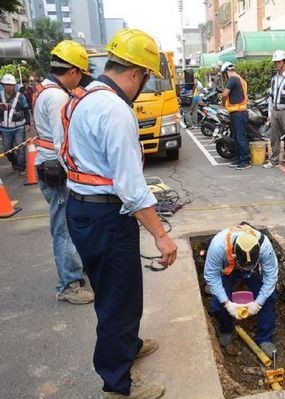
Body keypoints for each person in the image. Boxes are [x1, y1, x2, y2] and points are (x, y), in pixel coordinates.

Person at [62, 28, 177, 398]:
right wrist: (161, 234)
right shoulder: (116, 111)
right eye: (145, 77)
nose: (143, 84)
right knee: (119, 300)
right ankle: (118, 383)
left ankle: (127, 347)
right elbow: (130, 187)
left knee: (115, 293)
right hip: (106, 217)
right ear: (135, 73)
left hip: (83, 210)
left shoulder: (85, 96)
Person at [33, 40, 94, 304]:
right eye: (80, 75)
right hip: (56, 170)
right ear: (72, 71)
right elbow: (63, 143)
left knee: (67, 225)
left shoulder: (46, 90)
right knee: (64, 227)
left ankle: (75, 273)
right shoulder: (57, 96)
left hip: (50, 167)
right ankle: (68, 284)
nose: (79, 82)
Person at [204, 224, 278, 356]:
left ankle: (264, 338)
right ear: (234, 254)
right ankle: (226, 329)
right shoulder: (218, 246)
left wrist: (258, 303)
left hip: (253, 272)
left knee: (269, 297)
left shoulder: (264, 246)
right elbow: (211, 276)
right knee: (218, 302)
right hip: (228, 270)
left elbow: (271, 276)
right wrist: (227, 304)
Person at [221, 62, 251, 170]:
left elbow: (225, 94)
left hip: (238, 113)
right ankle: (238, 159)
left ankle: (245, 161)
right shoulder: (239, 78)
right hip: (238, 112)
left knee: (240, 138)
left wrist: (223, 102)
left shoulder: (232, 79)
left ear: (225, 72)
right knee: (237, 138)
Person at [0, 73, 31, 173]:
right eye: (7, 85)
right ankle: (14, 161)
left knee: (20, 148)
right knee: (7, 150)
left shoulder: (20, 96)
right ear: (3, 85)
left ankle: (22, 168)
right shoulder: (0, 96)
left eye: (12, 85)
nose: (10, 87)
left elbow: (26, 109)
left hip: (19, 127)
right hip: (5, 129)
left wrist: (28, 123)